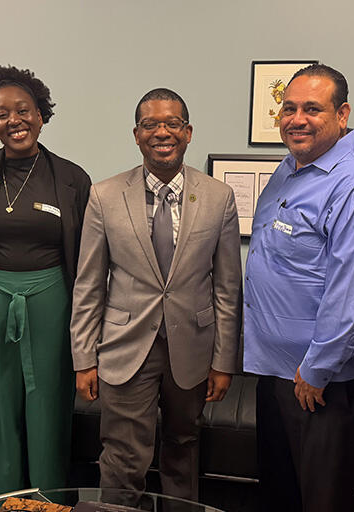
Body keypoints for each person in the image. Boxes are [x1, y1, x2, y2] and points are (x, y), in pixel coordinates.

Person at [70, 88, 241, 500]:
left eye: (172, 123)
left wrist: (224, 361)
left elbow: (227, 287)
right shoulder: (105, 196)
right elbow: (89, 284)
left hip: (193, 350)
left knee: (183, 447)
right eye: (150, 124)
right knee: (123, 457)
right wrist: (83, 357)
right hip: (125, 347)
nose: (161, 131)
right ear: (136, 134)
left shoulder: (219, 197)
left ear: (188, 132)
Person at [243, 63, 354, 512]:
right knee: (281, 491)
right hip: (277, 370)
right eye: (288, 109)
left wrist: (318, 368)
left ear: (342, 114)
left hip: (320, 382)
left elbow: (353, 290)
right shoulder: (290, 169)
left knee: (321, 499)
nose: (296, 119)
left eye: (312, 108)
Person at [0, 64, 91, 496]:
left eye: (23, 110)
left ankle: (49, 502)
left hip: (53, 303)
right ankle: (3, 503)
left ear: (41, 114)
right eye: (2, 114)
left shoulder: (72, 178)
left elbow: (89, 260)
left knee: (49, 410)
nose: (15, 121)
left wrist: (87, 334)